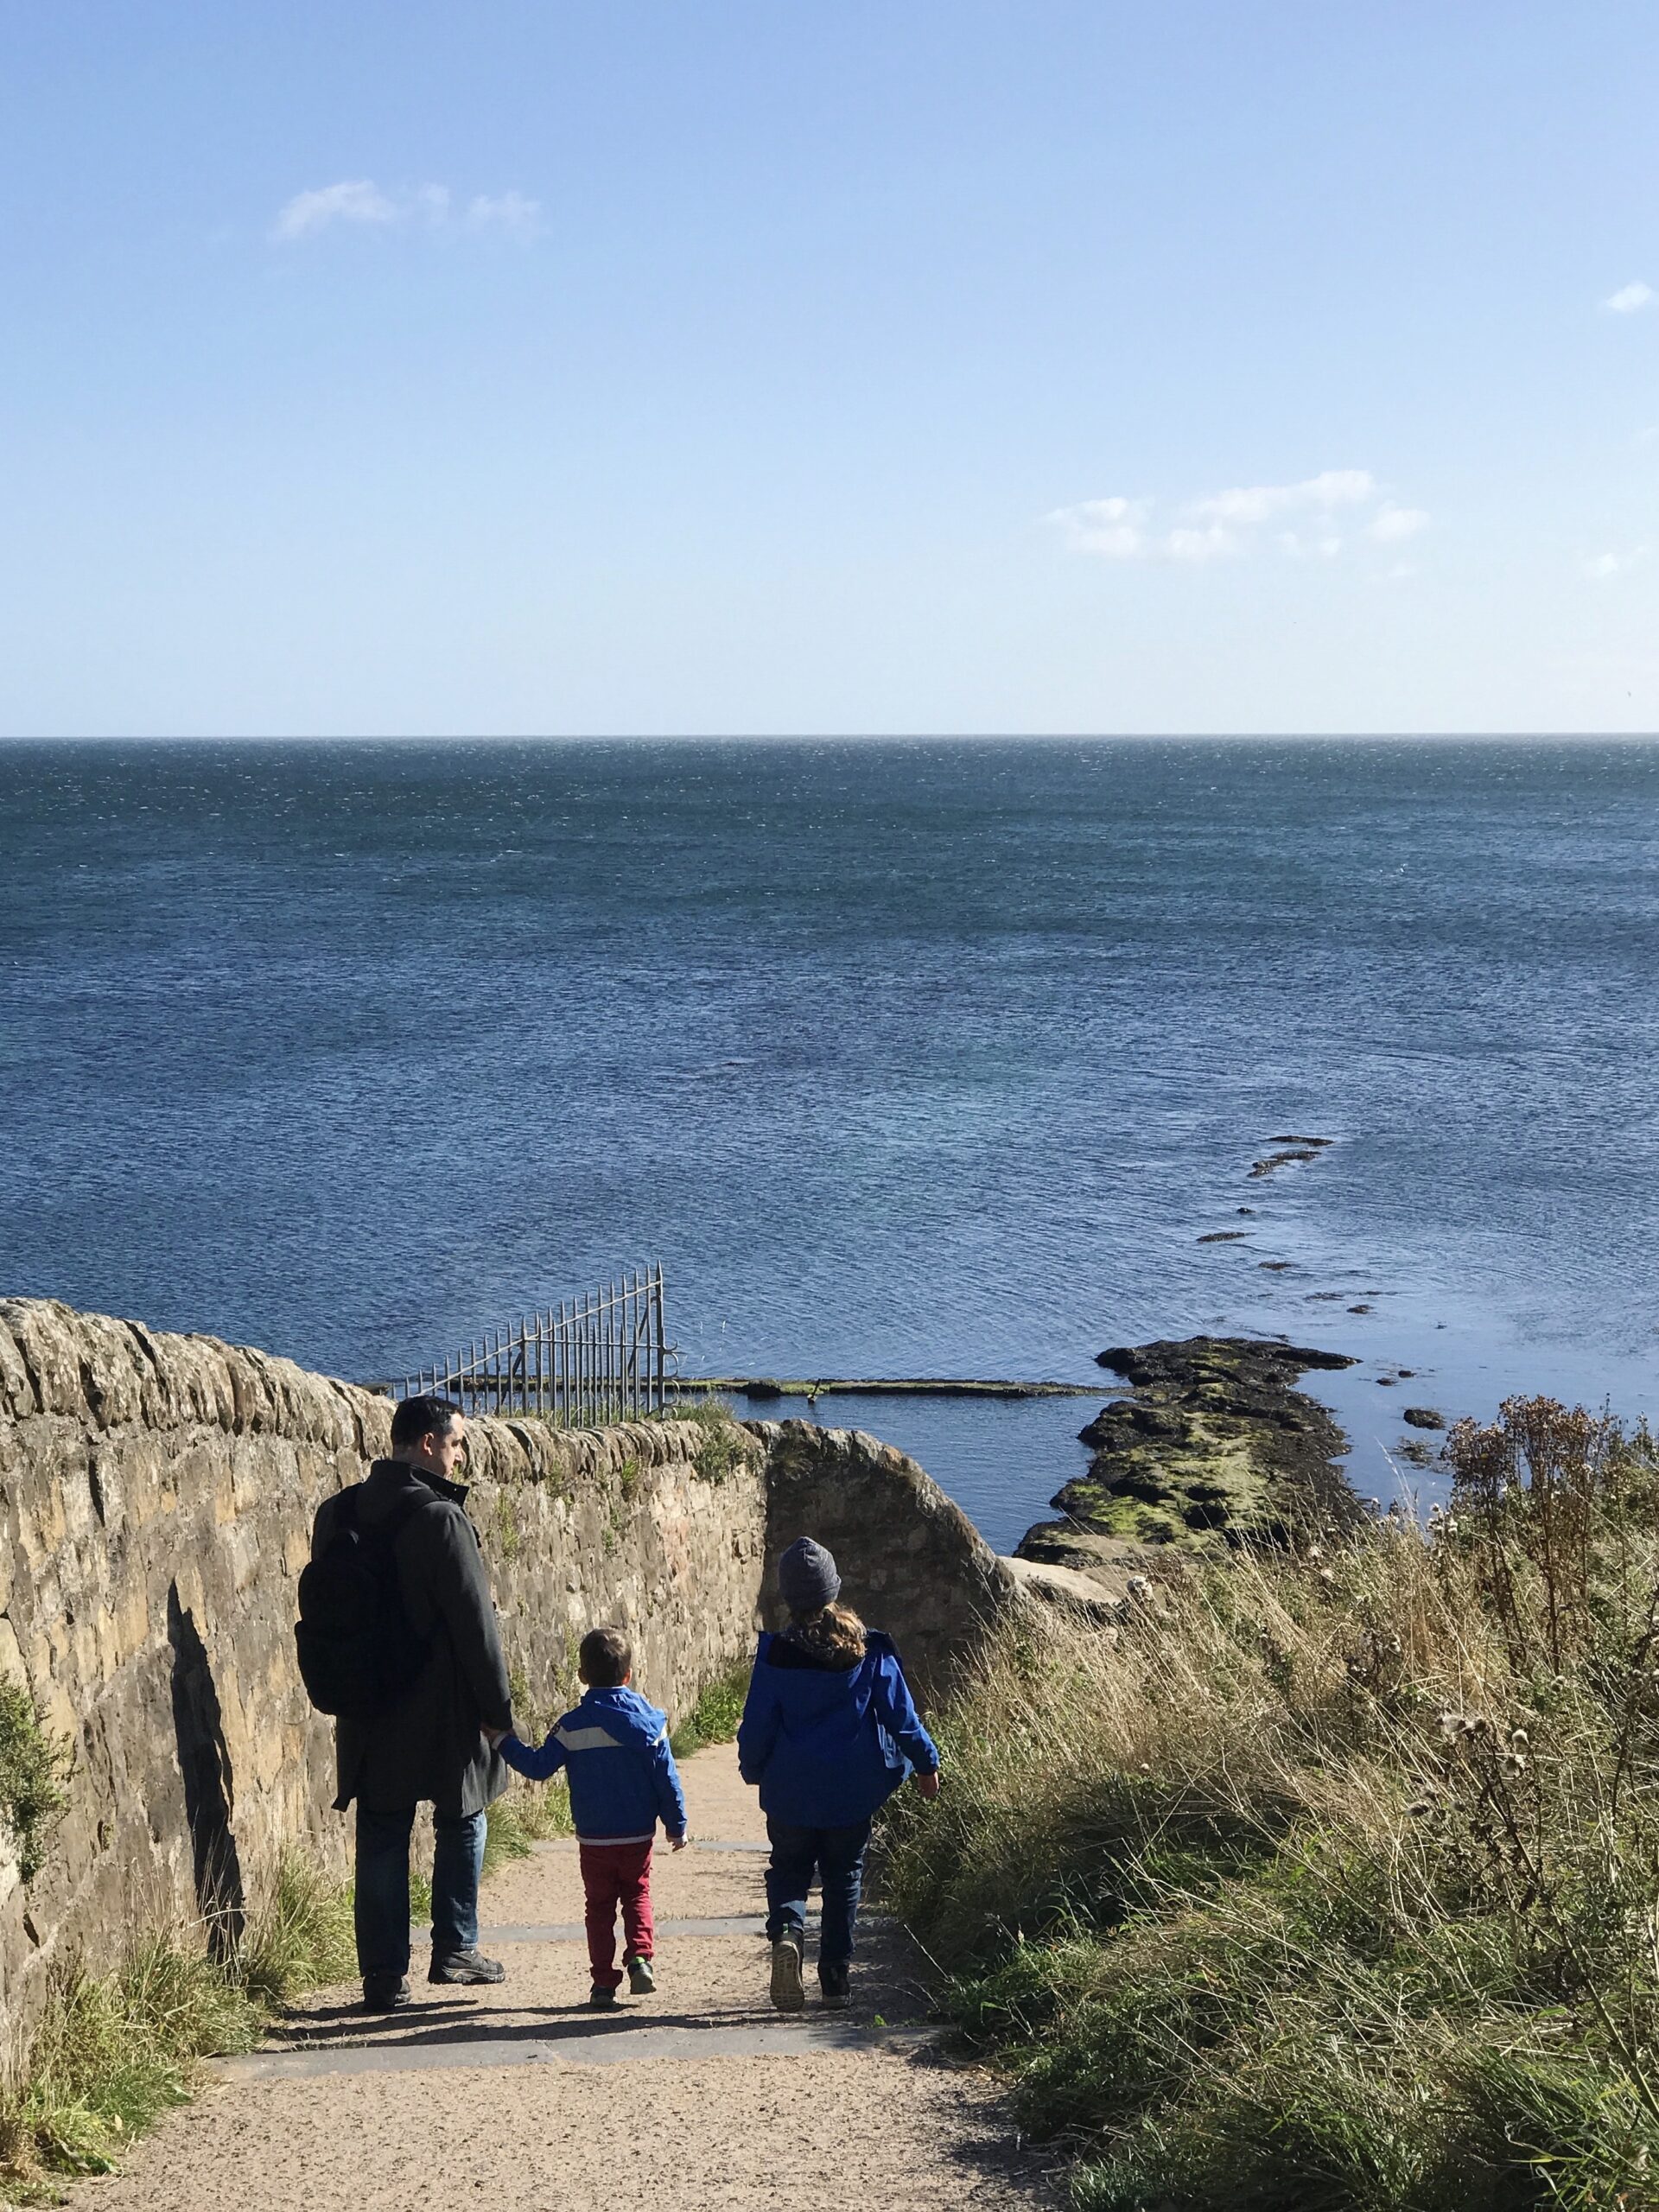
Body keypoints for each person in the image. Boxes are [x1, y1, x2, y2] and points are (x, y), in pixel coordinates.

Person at [310, 1395, 515, 2012]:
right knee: (463, 1818)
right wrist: (498, 1711)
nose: (459, 1459)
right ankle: (454, 1948)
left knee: (380, 1831)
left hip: (367, 1703)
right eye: (456, 1446)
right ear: (427, 1443)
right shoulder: (440, 1519)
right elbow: (475, 1624)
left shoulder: (336, 1512)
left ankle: (381, 1974)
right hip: (439, 1706)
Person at [736, 1537, 940, 2012]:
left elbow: (757, 1724)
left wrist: (752, 1768)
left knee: (789, 1870)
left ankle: (788, 1934)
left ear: (788, 1597)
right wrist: (927, 1764)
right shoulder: (869, 1653)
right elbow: (902, 1719)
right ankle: (836, 1980)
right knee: (843, 1876)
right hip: (851, 1793)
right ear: (834, 1588)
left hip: (790, 1793)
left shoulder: (775, 1658)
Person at [497, 1625, 689, 2009]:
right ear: (628, 1674)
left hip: (595, 1837)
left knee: (598, 1906)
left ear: (582, 1677)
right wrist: (676, 1824)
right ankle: (640, 1958)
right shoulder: (651, 1723)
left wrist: (503, 1741)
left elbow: (538, 1767)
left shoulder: (572, 1726)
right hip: (637, 1834)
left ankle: (603, 1983)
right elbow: (667, 1778)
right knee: (637, 1894)